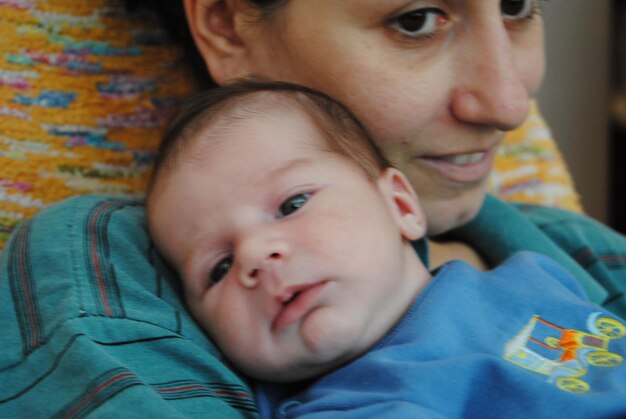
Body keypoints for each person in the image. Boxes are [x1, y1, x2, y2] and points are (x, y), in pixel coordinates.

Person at [1, 0, 626, 416]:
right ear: (226, 23)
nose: (510, 103)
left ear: (398, 203)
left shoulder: (587, 255)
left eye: (517, 5)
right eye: (414, 20)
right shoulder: (106, 273)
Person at [147, 80, 626, 418]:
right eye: (219, 267)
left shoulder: (536, 275)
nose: (254, 256)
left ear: (399, 204)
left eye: (292, 204)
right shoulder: (354, 404)